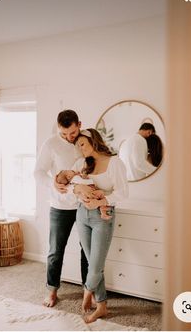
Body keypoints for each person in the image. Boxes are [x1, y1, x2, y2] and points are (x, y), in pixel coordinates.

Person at [72, 128, 128, 323]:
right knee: (91, 261)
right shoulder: (82, 164)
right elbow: (73, 186)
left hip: (103, 215)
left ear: (93, 140)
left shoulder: (115, 163)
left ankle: (87, 291)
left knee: (95, 265)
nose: (80, 149)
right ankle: (102, 305)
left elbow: (122, 193)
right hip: (82, 214)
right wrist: (78, 189)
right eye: (77, 146)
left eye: (82, 144)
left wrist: (101, 201)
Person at [34, 109, 88, 307]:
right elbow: (38, 172)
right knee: (56, 250)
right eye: (63, 134)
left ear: (79, 124)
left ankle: (87, 292)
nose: (68, 137)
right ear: (58, 129)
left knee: (87, 251)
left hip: (84, 204)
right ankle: (51, 290)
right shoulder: (51, 144)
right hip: (60, 205)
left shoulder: (87, 140)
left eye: (72, 133)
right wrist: (52, 184)